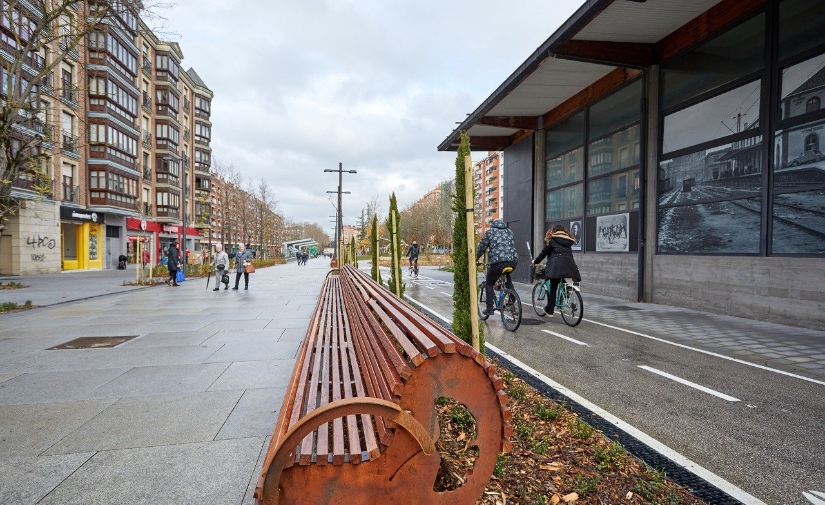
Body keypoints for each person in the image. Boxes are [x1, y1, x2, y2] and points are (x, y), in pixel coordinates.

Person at [533, 225, 581, 316]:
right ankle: (566, 293)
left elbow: (544, 253)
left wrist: (536, 261)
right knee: (563, 280)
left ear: (554, 231)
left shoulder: (552, 239)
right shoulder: (568, 240)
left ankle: (550, 310)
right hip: (569, 265)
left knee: (553, 287)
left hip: (557, 265)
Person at [475, 219, 519, 316]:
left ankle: (489, 308)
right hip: (513, 261)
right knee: (507, 276)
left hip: (498, 262)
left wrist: (475, 258)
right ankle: (512, 296)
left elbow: (482, 247)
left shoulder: (490, 232)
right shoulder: (509, 231)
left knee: (489, 283)